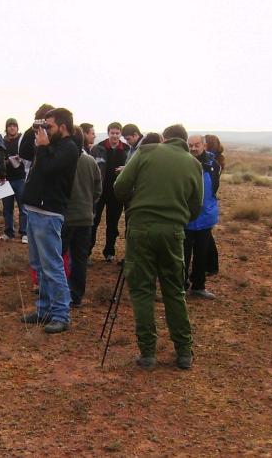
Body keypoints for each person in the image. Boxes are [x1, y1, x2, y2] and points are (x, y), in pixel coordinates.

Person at [114, 124, 202, 370]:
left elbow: (119, 187)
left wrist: (138, 202)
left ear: (165, 139)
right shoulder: (193, 163)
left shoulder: (146, 152)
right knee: (174, 291)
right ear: (184, 141)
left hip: (141, 229)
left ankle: (148, 353)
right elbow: (196, 206)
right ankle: (184, 352)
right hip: (173, 232)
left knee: (142, 291)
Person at [19, 107, 79, 334]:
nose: (45, 130)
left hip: (49, 212)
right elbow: (26, 151)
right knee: (39, 265)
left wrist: (44, 147)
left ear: (63, 127)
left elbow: (48, 170)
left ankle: (61, 314)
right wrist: (37, 133)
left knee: (52, 266)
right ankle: (44, 310)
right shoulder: (50, 145)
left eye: (50, 126)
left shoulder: (69, 148)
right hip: (35, 210)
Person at [63, 126, 102, 307]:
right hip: (86, 217)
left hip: (65, 217)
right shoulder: (91, 161)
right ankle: (76, 296)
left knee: (58, 257)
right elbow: (97, 190)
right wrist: (88, 204)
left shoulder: (63, 160)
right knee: (79, 259)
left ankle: (59, 293)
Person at [184, 134, 220, 300]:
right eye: (190, 145)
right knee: (183, 254)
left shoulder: (213, 164)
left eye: (197, 145)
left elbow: (213, 189)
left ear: (204, 145)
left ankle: (198, 286)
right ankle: (180, 286)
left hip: (205, 217)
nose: (193, 148)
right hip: (186, 217)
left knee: (201, 253)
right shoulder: (182, 162)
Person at [90, 122, 128, 262]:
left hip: (116, 192)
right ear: (108, 133)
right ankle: (88, 251)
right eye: (112, 133)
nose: (115, 136)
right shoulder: (98, 148)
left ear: (120, 134)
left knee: (113, 223)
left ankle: (109, 252)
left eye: (117, 133)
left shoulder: (126, 149)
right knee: (94, 221)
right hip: (99, 191)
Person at [0, 117, 27, 241]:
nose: (12, 127)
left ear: (17, 127)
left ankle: (24, 233)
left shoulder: (22, 141)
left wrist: (20, 159)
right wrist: (6, 162)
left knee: (23, 208)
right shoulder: (2, 142)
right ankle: (8, 232)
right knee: (7, 209)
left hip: (21, 178)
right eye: (10, 125)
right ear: (6, 128)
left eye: (14, 125)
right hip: (5, 180)